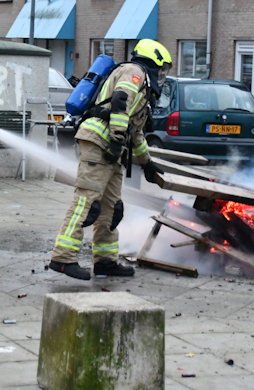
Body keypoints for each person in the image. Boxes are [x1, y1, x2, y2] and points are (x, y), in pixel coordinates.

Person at [48, 39, 171, 280]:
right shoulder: (134, 72)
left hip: (113, 149)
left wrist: (146, 162)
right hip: (98, 143)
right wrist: (116, 139)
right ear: (152, 61)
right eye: (162, 68)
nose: (162, 74)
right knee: (86, 202)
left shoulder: (144, 86)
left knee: (111, 208)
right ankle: (62, 258)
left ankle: (105, 262)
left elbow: (135, 131)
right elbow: (119, 102)